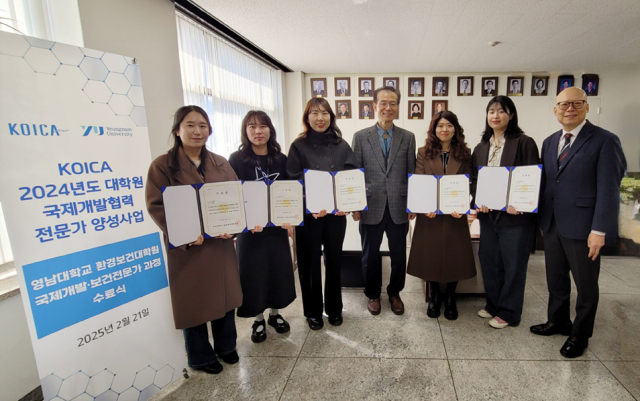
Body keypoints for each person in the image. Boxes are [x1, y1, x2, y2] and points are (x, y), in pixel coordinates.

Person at [530, 87, 626, 358]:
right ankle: (558, 321)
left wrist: (599, 229)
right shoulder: (550, 142)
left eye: (576, 103)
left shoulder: (605, 141)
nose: (569, 109)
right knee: (556, 280)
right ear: (555, 110)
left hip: (585, 228)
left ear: (586, 107)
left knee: (585, 286)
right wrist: (541, 217)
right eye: (563, 105)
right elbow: (547, 183)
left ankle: (580, 334)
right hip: (552, 225)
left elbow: (609, 189)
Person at [145, 105, 242, 375]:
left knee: (225, 298)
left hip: (220, 246)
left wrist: (233, 228)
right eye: (190, 125)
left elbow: (235, 200)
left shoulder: (221, 163)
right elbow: (157, 207)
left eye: (202, 125)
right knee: (194, 303)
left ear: (209, 130)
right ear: (178, 130)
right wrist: (186, 236)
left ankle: (226, 347)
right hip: (188, 249)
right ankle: (200, 356)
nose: (197, 131)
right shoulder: (162, 166)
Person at [286, 98, 358, 330]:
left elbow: (352, 177)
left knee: (334, 261)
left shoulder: (341, 144)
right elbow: (293, 179)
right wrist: (311, 203)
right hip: (309, 216)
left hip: (336, 216)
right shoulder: (299, 146)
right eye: (314, 113)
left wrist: (347, 203)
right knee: (309, 265)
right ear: (307, 118)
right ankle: (313, 311)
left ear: (331, 117)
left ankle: (335, 309)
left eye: (325, 113)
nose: (320, 118)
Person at [471, 96, 540, 329]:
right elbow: (474, 181)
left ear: (511, 115)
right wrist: (477, 202)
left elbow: (532, 179)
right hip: (489, 216)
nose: (495, 115)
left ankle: (509, 312)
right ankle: (493, 304)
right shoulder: (481, 147)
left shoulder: (524, 142)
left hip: (515, 217)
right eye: (491, 111)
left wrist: (521, 202)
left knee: (513, 264)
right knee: (489, 261)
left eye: (501, 111)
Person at [228, 111, 296, 344]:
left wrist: (290, 217)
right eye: (252, 127)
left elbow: (290, 191)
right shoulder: (236, 160)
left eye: (263, 126)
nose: (258, 132)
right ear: (245, 131)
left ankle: (275, 315)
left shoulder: (281, 159)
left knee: (278, 273)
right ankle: (258, 319)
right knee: (253, 275)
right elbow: (233, 195)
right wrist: (243, 222)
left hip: (276, 229)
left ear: (270, 130)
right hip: (250, 231)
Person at [352, 86, 417, 315]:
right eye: (383, 103)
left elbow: (411, 173)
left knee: (399, 255)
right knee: (370, 255)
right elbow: (356, 174)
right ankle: (372, 294)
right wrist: (356, 206)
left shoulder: (408, 137)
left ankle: (394, 292)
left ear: (398, 107)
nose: (388, 107)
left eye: (393, 103)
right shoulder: (360, 137)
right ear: (374, 106)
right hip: (371, 205)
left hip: (399, 206)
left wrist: (413, 204)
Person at [407, 111, 476, 320]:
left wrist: (464, 205)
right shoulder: (423, 152)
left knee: (456, 255)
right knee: (431, 255)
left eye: (448, 125)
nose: (444, 130)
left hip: (455, 214)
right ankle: (436, 294)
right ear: (433, 129)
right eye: (440, 126)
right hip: (430, 215)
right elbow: (419, 181)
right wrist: (423, 205)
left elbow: (469, 183)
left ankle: (451, 297)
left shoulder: (465, 153)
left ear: (455, 129)